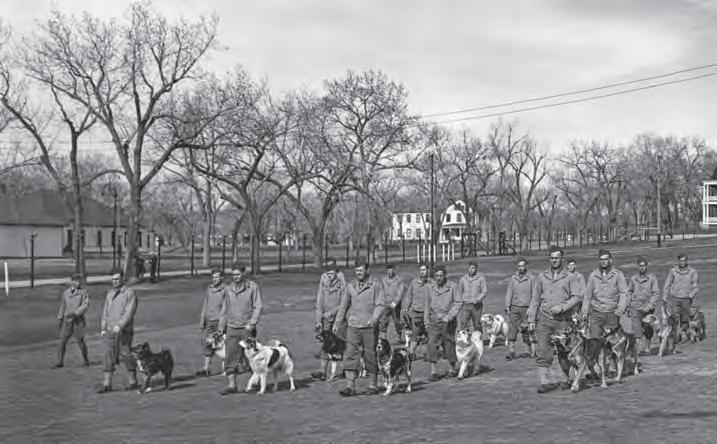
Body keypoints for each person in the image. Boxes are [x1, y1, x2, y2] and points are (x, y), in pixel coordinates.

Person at [527, 246, 582, 393]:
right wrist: (531, 319)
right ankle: (544, 381)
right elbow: (535, 299)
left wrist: (563, 307)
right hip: (544, 319)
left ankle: (565, 378)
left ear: (562, 259)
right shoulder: (542, 276)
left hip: (563, 320)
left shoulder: (570, 277)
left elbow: (577, 297)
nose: (554, 260)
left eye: (557, 258)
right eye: (552, 258)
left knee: (564, 351)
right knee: (543, 349)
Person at [334, 261, 386, 397]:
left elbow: (380, 304)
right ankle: (350, 386)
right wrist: (337, 323)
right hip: (354, 326)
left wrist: (374, 318)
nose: (359, 273)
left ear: (367, 270)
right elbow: (343, 306)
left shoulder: (376, 285)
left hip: (370, 327)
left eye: (361, 270)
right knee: (349, 355)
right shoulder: (351, 286)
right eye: (357, 271)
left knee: (370, 355)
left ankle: (373, 384)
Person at [219, 263, 263, 395]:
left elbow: (258, 306)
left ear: (244, 273)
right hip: (231, 328)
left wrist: (252, 323)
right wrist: (221, 327)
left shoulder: (252, 287)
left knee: (252, 357)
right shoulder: (228, 289)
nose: (235, 277)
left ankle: (255, 383)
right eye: (233, 275)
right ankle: (232, 385)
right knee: (230, 357)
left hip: (246, 328)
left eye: (238, 274)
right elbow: (224, 309)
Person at [97, 269, 138, 393]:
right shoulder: (110, 294)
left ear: (122, 279)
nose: (115, 281)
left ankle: (133, 381)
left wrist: (120, 325)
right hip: (109, 330)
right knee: (107, 355)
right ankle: (107, 384)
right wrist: (103, 327)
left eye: (117, 279)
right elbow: (105, 311)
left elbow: (129, 312)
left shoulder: (129, 293)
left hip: (124, 331)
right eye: (113, 279)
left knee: (126, 355)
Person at [581, 249, 628, 339]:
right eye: (601, 259)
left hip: (612, 313)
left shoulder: (618, 275)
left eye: (605, 259)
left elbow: (624, 293)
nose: (603, 261)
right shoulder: (593, 275)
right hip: (596, 313)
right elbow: (587, 295)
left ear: (610, 260)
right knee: (594, 340)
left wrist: (620, 309)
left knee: (611, 340)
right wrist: (585, 312)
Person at [425, 265, 462, 381]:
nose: (439, 278)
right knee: (431, 344)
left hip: (448, 321)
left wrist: (449, 316)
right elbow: (427, 305)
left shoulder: (453, 286)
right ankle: (433, 372)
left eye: (441, 275)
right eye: (437, 276)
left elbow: (458, 302)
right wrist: (426, 321)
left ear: (445, 275)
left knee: (448, 344)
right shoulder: (430, 287)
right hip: (434, 320)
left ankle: (452, 369)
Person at [312, 261, 345, 380]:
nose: (329, 276)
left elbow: (343, 303)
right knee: (326, 343)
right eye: (328, 273)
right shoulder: (324, 279)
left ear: (336, 271)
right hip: (325, 317)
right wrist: (318, 320)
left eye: (331, 273)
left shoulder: (341, 280)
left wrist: (331, 313)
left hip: (339, 316)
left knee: (340, 343)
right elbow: (319, 300)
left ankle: (348, 369)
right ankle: (322, 371)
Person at [53, 273, 90, 368]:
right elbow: (63, 305)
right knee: (62, 341)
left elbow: (85, 305)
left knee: (80, 340)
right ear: (72, 282)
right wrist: (60, 317)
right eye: (76, 281)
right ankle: (60, 361)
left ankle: (86, 360)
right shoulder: (66, 293)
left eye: (79, 281)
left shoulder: (83, 293)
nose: (78, 283)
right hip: (67, 319)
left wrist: (76, 314)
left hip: (78, 320)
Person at [625, 256, 660, 354]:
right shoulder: (633, 279)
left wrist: (650, 306)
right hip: (635, 307)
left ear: (647, 266)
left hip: (648, 308)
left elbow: (656, 293)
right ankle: (638, 350)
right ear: (638, 266)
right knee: (637, 330)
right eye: (640, 266)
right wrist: (628, 304)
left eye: (644, 266)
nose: (642, 268)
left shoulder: (652, 278)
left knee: (648, 329)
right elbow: (629, 292)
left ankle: (647, 348)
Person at [196, 268, 226, 377]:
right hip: (209, 320)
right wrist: (202, 319)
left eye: (217, 277)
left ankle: (228, 368)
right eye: (213, 277)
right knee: (207, 343)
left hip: (220, 321)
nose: (214, 279)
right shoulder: (209, 289)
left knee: (221, 345)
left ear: (222, 278)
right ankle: (206, 369)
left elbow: (225, 309)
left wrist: (221, 326)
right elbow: (206, 304)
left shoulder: (226, 290)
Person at [503, 258, 535, 360]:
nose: (521, 268)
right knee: (512, 328)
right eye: (519, 266)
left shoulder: (531, 278)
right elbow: (509, 292)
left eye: (522, 266)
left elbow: (535, 293)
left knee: (526, 329)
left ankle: (529, 349)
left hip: (527, 307)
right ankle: (511, 350)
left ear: (526, 266)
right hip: (515, 306)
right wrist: (507, 305)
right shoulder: (513, 278)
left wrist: (532, 307)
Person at [663, 253, 699, 342]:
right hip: (675, 297)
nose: (682, 262)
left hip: (686, 298)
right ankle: (674, 335)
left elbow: (695, 286)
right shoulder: (673, 271)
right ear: (678, 261)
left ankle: (684, 334)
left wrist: (692, 294)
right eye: (681, 260)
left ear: (687, 261)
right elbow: (667, 284)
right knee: (674, 317)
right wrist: (665, 296)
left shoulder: (692, 272)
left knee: (685, 317)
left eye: (684, 260)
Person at [401, 262, 433, 358]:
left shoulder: (432, 283)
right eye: (421, 270)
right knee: (415, 334)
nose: (422, 272)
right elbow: (409, 296)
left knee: (430, 335)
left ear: (428, 271)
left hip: (429, 313)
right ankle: (411, 352)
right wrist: (406, 307)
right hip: (416, 312)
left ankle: (429, 353)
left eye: (424, 270)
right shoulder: (414, 283)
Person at [456, 261, 488, 332]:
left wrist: (478, 299)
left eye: (473, 268)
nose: (471, 270)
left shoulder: (481, 278)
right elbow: (459, 292)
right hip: (465, 305)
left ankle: (478, 337)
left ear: (476, 269)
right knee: (463, 324)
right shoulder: (463, 279)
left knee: (477, 324)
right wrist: (460, 302)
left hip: (476, 306)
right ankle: (465, 338)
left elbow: (484, 291)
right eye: (470, 268)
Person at [377, 264, 405, 341]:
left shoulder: (399, 280)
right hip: (386, 303)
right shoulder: (384, 280)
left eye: (391, 270)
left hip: (395, 305)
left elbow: (400, 292)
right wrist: (382, 301)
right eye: (388, 271)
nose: (389, 272)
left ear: (394, 270)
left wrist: (395, 302)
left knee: (396, 320)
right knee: (384, 320)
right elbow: (381, 291)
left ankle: (399, 335)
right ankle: (383, 336)